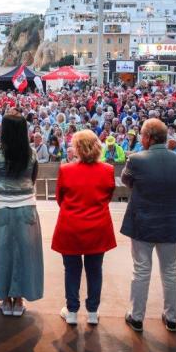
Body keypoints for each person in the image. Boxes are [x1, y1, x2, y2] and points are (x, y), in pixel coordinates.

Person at [120, 118, 176, 333]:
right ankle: (171, 318)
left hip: (143, 221)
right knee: (170, 270)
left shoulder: (136, 159)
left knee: (141, 270)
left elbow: (126, 181)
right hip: (172, 221)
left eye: (142, 135)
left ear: (148, 137)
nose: (141, 138)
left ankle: (137, 316)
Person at [0, 113, 43, 317]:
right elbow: (32, 179)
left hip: (1, 208)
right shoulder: (32, 153)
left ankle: (5, 299)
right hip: (26, 206)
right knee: (25, 253)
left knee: (2, 252)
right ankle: (19, 300)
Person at [52, 130, 117, 326]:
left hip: (70, 226)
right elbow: (108, 196)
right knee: (95, 270)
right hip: (98, 227)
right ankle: (92, 312)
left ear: (77, 148)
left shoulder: (66, 170)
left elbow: (59, 199)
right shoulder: (108, 169)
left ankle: (72, 311)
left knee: (71, 270)